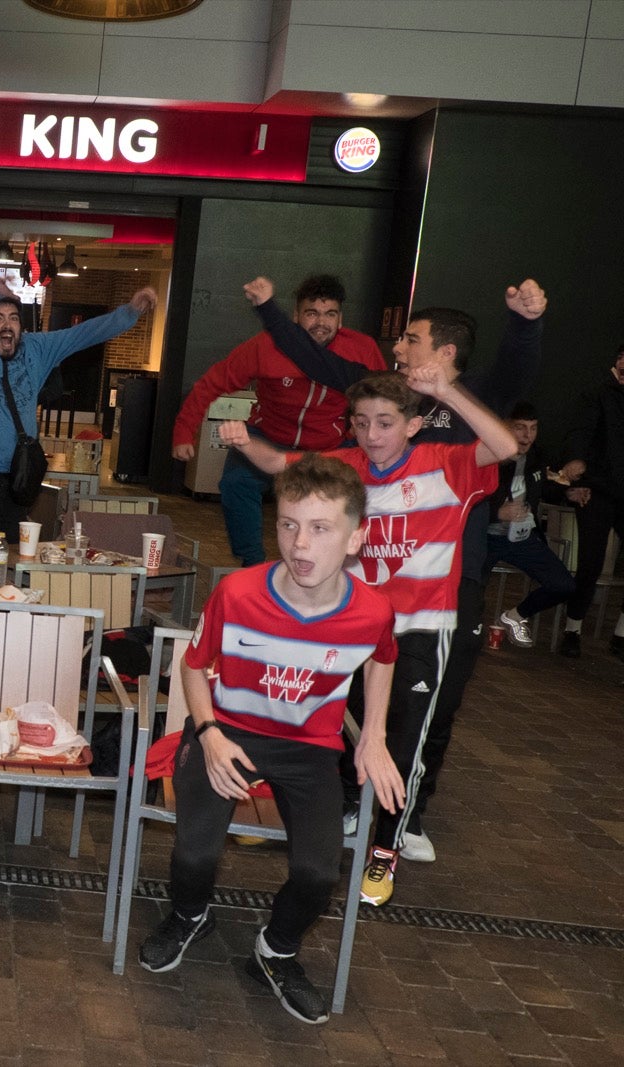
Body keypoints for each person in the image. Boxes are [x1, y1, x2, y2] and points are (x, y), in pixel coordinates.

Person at [249, 277, 547, 860]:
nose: (398, 348)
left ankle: (403, 817)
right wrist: (268, 310)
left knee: (431, 707)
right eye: (366, 423)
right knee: (352, 705)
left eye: (411, 338)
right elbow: (319, 360)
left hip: (448, 581)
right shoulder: (381, 399)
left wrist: (527, 324)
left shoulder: (471, 398)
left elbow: (514, 379)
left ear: (445, 353)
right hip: (371, 595)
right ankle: (346, 804)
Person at [222, 367, 516, 907]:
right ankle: (319, 816)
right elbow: (278, 463)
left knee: (400, 745)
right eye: (361, 423)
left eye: (385, 423)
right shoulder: (345, 469)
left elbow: (503, 444)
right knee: (326, 724)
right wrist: (245, 441)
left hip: (422, 630)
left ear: (413, 425)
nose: (372, 434)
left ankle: (385, 850)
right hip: (355, 628)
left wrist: (447, 389)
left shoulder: (447, 465)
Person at [139, 455, 404, 1025]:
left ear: (357, 536)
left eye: (320, 528)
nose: (299, 544)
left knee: (318, 872)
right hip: (227, 731)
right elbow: (193, 666)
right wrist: (207, 732)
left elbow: (382, 659)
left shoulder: (373, 611)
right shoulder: (237, 592)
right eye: (288, 524)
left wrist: (374, 734)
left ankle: (276, 948)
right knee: (194, 853)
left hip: (309, 749)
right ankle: (189, 916)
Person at [174, 275, 386, 565]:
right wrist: (184, 431)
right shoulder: (265, 346)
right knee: (236, 483)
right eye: (312, 313)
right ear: (296, 316)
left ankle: (340, 566)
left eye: (330, 314)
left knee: (357, 497)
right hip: (266, 436)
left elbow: (384, 399)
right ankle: (253, 566)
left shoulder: (361, 349)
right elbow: (213, 382)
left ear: (341, 319)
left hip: (328, 446)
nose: (321, 322)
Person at [0, 279, 156, 552]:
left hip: (15, 484)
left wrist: (130, 312)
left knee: (7, 570)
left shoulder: (35, 349)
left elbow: (83, 334)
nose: (7, 325)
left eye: (14, 318)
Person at [482, 402, 576, 648]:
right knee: (469, 586)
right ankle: (467, 632)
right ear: (505, 427)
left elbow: (541, 488)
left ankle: (514, 616)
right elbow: (465, 498)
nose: (527, 436)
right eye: (520, 428)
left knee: (563, 585)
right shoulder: (487, 456)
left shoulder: (537, 457)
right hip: (485, 536)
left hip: (522, 536)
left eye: (533, 429)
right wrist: (496, 513)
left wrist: (569, 493)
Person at [555, 342, 624, 659]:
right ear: (619, 360)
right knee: (590, 563)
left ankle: (621, 633)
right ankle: (573, 629)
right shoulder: (597, 394)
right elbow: (579, 432)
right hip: (596, 489)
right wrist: (577, 462)